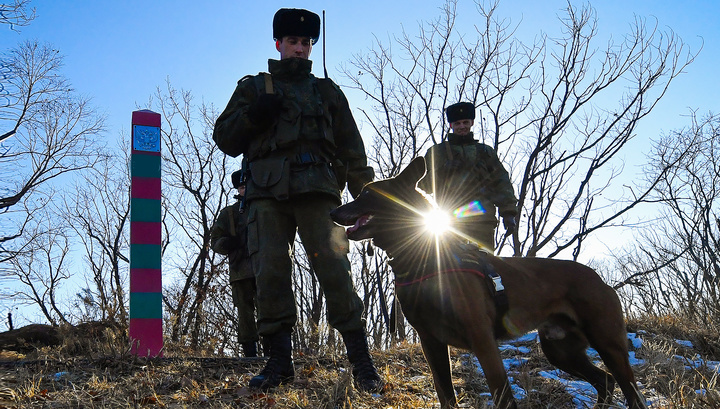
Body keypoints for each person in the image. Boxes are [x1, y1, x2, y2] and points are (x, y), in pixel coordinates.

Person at [212, 8, 382, 392]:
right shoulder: (255, 87)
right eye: (293, 41)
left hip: (319, 189)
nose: (300, 49)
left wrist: (368, 197)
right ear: (278, 43)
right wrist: (254, 115)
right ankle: (277, 363)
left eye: (306, 43)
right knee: (270, 272)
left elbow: (352, 150)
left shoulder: (326, 91)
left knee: (336, 272)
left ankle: (362, 363)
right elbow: (224, 137)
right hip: (265, 192)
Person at [418, 102, 518, 251]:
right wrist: (441, 172)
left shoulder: (485, 152)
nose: (462, 126)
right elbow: (421, 186)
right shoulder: (437, 152)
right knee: (451, 267)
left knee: (486, 266)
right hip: (449, 221)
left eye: (465, 122)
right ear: (451, 125)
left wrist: (508, 212)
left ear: (471, 122)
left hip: (482, 222)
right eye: (457, 123)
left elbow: (501, 181)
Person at [209, 169, 259, 357]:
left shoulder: (264, 209)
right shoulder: (229, 213)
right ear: (238, 189)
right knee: (245, 314)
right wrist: (228, 243)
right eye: (242, 187)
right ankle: (250, 354)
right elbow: (215, 240)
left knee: (270, 310)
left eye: (248, 186)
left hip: (265, 268)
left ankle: (274, 353)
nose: (245, 190)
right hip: (240, 270)